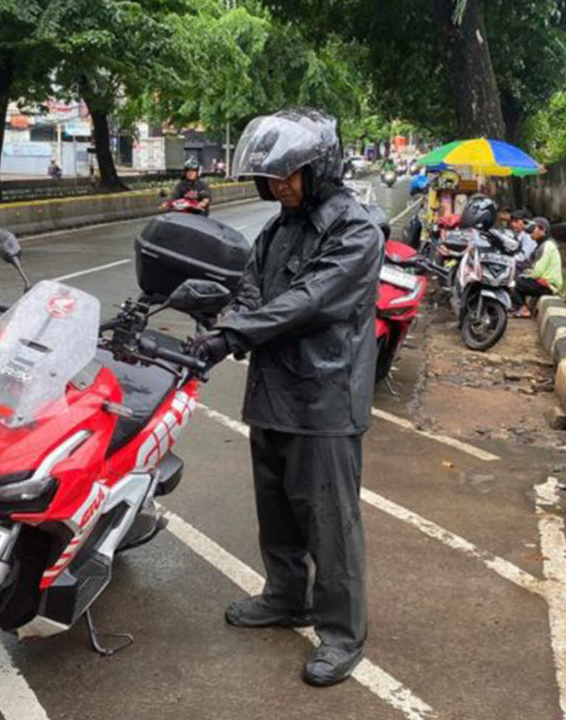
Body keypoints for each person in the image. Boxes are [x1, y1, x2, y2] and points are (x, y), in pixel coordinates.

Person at [190, 108, 382, 688]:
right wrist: (225, 319)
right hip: (273, 392)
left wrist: (233, 335)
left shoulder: (354, 229)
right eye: (272, 176)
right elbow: (252, 287)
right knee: (275, 508)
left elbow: (309, 299)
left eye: (290, 174)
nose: (280, 185)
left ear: (319, 167)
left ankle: (343, 632)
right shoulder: (276, 229)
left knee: (329, 521)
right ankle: (284, 595)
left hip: (324, 396)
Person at [513, 217, 563, 316]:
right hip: (546, 282)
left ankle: (523, 309)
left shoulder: (547, 246)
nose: (531, 233)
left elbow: (537, 272)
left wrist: (523, 274)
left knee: (515, 283)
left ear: (542, 230)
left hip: (548, 284)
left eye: (533, 230)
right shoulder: (543, 244)